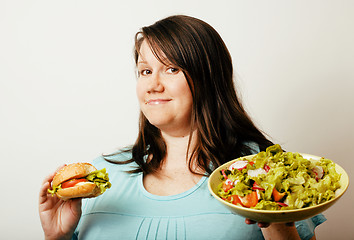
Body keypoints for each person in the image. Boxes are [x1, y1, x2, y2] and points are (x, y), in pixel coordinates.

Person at [39, 15, 325, 240]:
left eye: (172, 69)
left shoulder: (264, 172)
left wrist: (276, 223)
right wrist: (57, 237)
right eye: (145, 71)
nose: (153, 85)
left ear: (208, 78)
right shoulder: (101, 176)